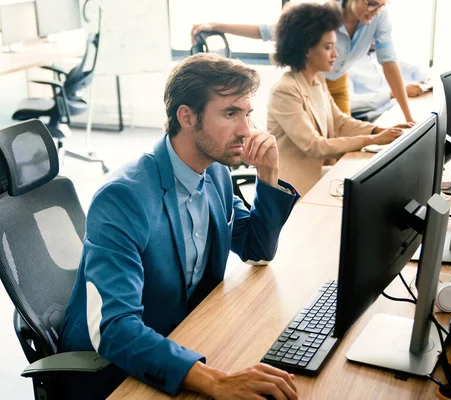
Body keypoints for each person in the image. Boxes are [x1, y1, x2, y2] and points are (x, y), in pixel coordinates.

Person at [58, 53, 301, 400]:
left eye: (247, 114)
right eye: (230, 113)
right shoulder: (123, 198)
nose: (247, 130)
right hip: (118, 369)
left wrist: (269, 176)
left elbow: (256, 249)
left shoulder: (214, 171)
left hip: (185, 336)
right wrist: (215, 381)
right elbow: (115, 328)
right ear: (186, 116)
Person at [266, 1, 410, 195]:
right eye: (328, 47)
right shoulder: (285, 91)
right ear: (307, 50)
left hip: (316, 177)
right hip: (290, 189)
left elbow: (339, 122)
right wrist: (373, 139)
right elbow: (314, 146)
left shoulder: (317, 79)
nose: (336, 54)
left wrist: (380, 129)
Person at [190, 0, 416, 123]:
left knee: (340, 143)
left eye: (382, 5)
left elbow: (389, 62)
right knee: (316, 148)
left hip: (338, 83)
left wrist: (408, 119)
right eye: (371, 4)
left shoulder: (378, 17)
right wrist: (217, 25)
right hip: (311, 82)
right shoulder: (322, 15)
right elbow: (268, 31)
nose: (376, 10)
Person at [349, 45, 432, 121]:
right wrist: (393, 93)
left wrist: (427, 79)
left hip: (395, 108)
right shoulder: (347, 64)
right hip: (374, 118)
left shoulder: (380, 54)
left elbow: (413, 70)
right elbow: (350, 103)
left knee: (429, 113)